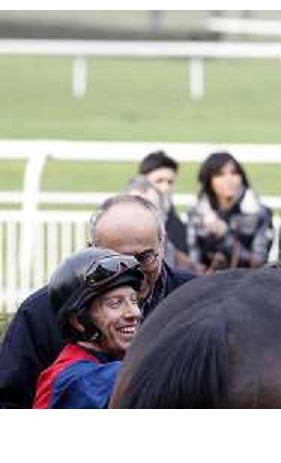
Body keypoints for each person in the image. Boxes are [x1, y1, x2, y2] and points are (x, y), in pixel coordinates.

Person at [0, 194, 196, 409]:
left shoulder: (199, 297)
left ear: (163, 245)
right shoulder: (40, 313)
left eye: (145, 257)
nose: (134, 270)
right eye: (118, 258)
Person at [34, 249, 144, 409]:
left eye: (134, 301)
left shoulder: (108, 361)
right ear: (78, 321)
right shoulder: (73, 379)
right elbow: (145, 373)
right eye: (115, 303)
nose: (134, 313)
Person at [187, 152, 273, 271]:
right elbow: (193, 260)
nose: (229, 180)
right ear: (209, 180)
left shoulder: (259, 212)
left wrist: (224, 236)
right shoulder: (197, 211)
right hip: (207, 283)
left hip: (244, 283)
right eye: (220, 175)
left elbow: (258, 262)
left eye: (234, 173)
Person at [138, 150, 188, 254]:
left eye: (170, 182)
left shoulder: (177, 226)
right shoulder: (123, 215)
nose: (165, 188)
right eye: (159, 181)